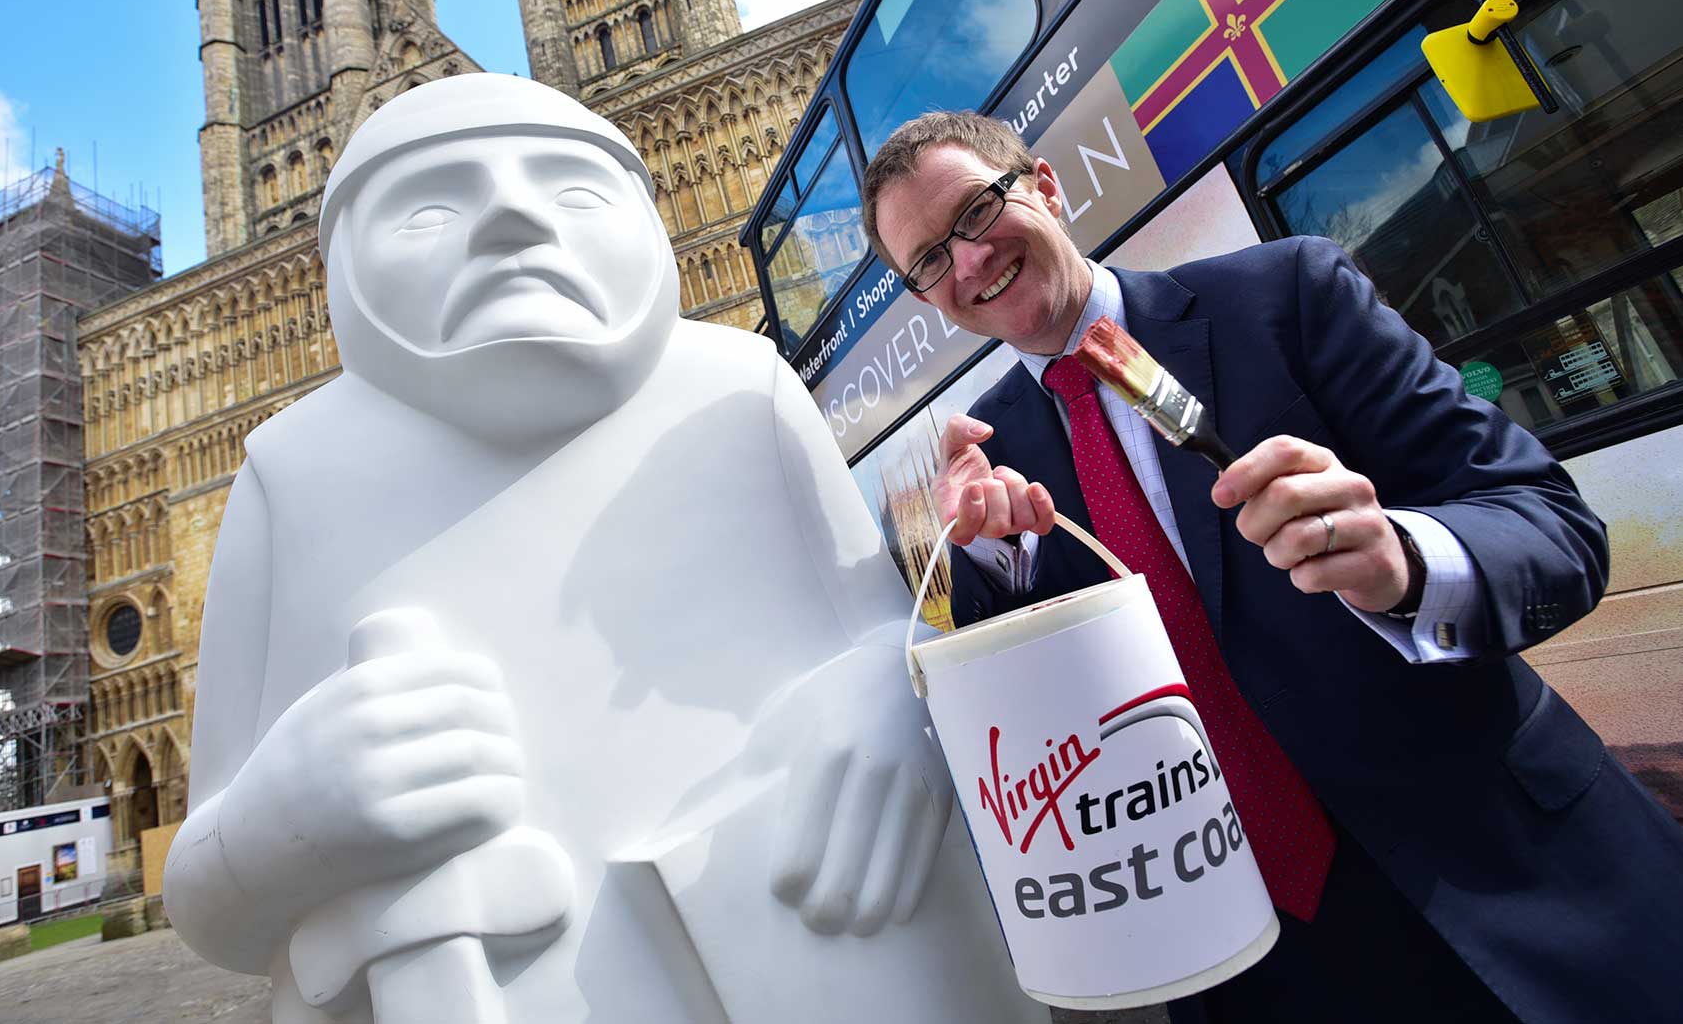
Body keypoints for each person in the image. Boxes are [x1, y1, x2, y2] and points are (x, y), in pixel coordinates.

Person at [162, 77, 1048, 1024]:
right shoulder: (288, 477)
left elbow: (894, 629)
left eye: (572, 192)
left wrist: (885, 694)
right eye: (427, 207)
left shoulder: (744, 387)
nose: (510, 221)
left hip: (838, 961)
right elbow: (206, 901)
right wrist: (281, 816)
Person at [862, 110, 1683, 1024]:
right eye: (928, 261)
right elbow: (1014, 729)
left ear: (1046, 187)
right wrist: (984, 559)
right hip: (1256, 959)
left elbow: (1553, 526)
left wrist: (1402, 561)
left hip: (1521, 881)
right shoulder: (989, 448)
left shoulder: (1286, 294)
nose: (966, 264)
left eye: (976, 212)